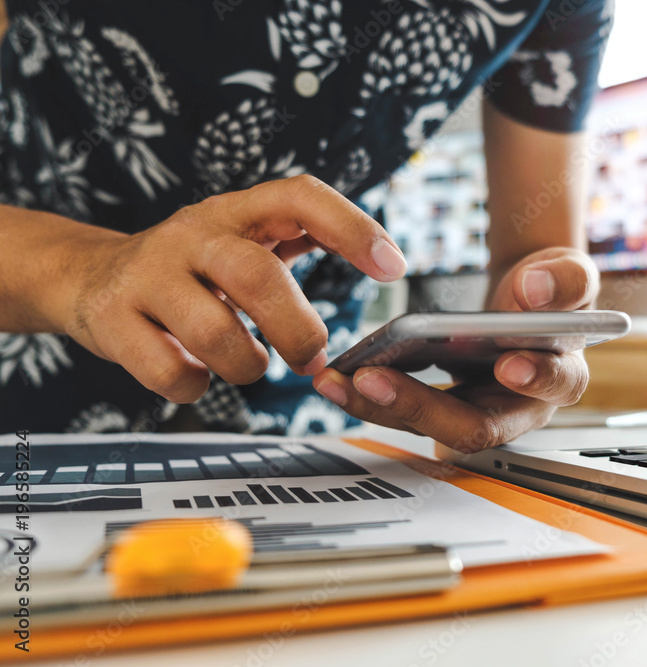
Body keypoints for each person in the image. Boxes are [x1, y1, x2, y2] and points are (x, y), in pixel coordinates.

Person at [0, 0, 613, 451]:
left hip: (313, 424)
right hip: (34, 403)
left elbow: (535, 253)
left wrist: (530, 332)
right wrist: (85, 271)